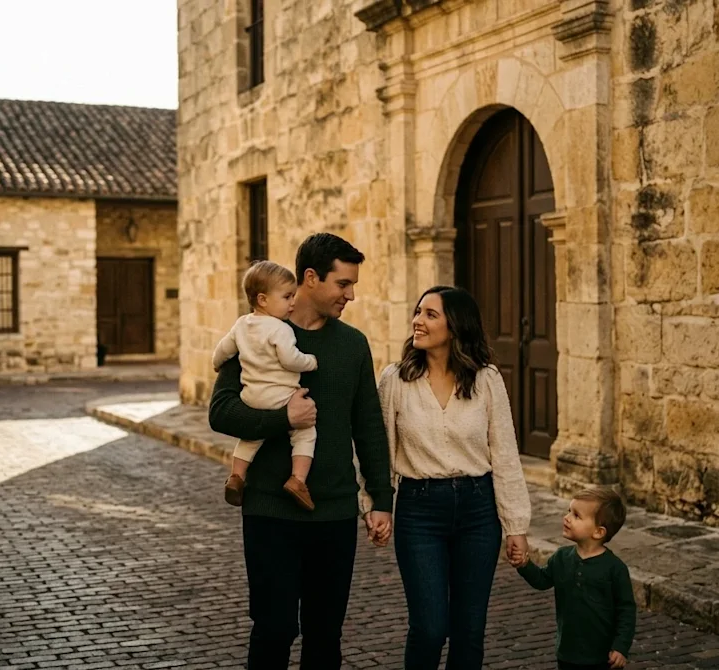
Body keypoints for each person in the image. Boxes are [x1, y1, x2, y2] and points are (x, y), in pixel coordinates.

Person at [208, 232, 394, 670]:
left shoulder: (353, 345)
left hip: (333, 511)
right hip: (269, 510)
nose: (351, 294)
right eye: (343, 284)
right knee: (273, 630)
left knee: (325, 635)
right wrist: (282, 420)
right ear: (311, 278)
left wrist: (381, 499)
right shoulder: (257, 333)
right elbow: (221, 412)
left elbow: (368, 425)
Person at [360, 285, 533, 669]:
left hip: (479, 510)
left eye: (430, 314)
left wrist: (515, 524)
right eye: (417, 312)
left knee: (469, 631)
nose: (417, 321)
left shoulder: (486, 380)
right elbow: (377, 451)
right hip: (420, 512)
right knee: (430, 628)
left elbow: (505, 454)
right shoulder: (395, 380)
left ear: (455, 326)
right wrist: (376, 505)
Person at [212, 260, 320, 510]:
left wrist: (216, 364)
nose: (293, 302)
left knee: (251, 437)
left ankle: (237, 476)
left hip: (251, 397)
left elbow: (222, 351)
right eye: (287, 297)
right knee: (305, 433)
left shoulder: (241, 325)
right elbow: (290, 359)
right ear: (262, 299)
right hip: (280, 397)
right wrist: (310, 362)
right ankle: (298, 480)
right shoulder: (280, 329)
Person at [518, 487, 637, 670]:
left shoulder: (615, 568)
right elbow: (542, 580)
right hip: (568, 652)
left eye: (576, 515)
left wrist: (620, 647)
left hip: (602, 656)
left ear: (598, 532)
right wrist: (524, 565)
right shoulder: (561, 557)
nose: (567, 517)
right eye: (568, 511)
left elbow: (626, 610)